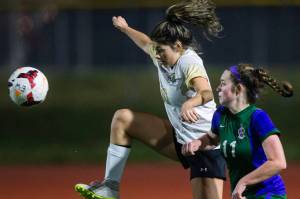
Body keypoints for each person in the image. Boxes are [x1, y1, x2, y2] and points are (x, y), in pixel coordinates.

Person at [75, 0, 226, 199]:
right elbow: (146, 43)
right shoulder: (162, 55)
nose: (157, 54)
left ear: (178, 46)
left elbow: (206, 93)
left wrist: (190, 102)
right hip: (180, 140)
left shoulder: (189, 62)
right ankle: (110, 187)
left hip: (205, 145)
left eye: (161, 50)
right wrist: (125, 28)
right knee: (123, 119)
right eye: (157, 50)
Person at [182, 63, 293, 199]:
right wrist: (197, 143)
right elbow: (212, 138)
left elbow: (278, 162)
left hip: (269, 193)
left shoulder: (257, 118)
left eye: (223, 84)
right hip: (241, 194)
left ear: (238, 89)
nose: (218, 88)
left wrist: (243, 182)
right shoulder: (221, 114)